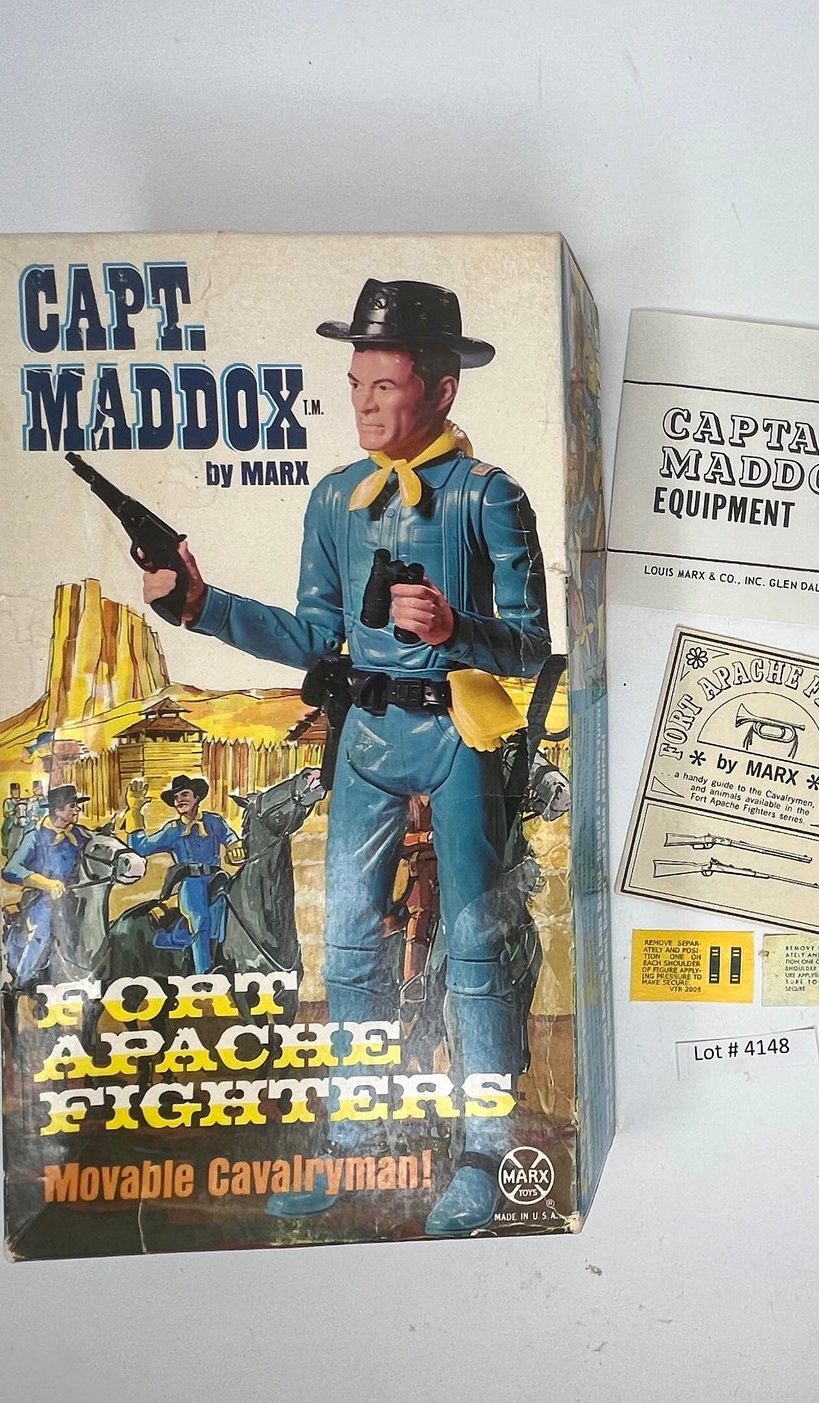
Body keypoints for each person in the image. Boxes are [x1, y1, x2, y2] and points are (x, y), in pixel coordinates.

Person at [142, 278, 551, 1235]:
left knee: (476, 945)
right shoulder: (334, 500)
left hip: (457, 737)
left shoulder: (489, 496)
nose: (363, 403)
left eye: (384, 385)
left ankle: (485, 1152)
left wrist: (456, 630)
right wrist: (201, 606)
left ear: (442, 389)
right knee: (351, 946)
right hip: (365, 741)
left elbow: (532, 645)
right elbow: (313, 635)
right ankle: (355, 1134)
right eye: (355, 384)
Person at [128, 775, 238, 974]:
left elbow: (231, 838)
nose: (179, 800)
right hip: (192, 884)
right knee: (200, 919)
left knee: (229, 917)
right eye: (176, 797)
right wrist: (135, 811)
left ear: (197, 797)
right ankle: (204, 974)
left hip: (217, 880)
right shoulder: (173, 830)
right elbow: (141, 847)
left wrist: (236, 847)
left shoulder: (214, 822)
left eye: (185, 794)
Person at [1, 783, 92, 988]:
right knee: (41, 933)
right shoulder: (35, 836)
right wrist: (46, 883)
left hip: (75, 898)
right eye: (72, 806)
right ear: (58, 810)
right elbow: (11, 869)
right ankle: (22, 981)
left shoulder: (79, 835)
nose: (77, 810)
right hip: (42, 901)